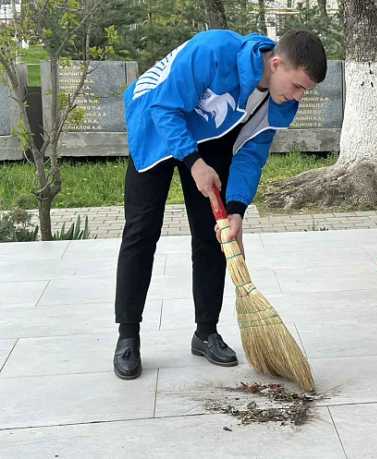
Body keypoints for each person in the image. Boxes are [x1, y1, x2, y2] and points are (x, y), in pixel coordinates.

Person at [113, 29, 327, 380]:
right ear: (276, 64)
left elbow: (251, 155)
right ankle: (128, 335)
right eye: (298, 86)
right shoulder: (213, 51)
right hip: (157, 121)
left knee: (213, 232)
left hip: (210, 131)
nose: (298, 97)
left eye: (306, 91)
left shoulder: (278, 101)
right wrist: (194, 163)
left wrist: (237, 209)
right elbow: (164, 106)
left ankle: (206, 332)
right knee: (142, 229)